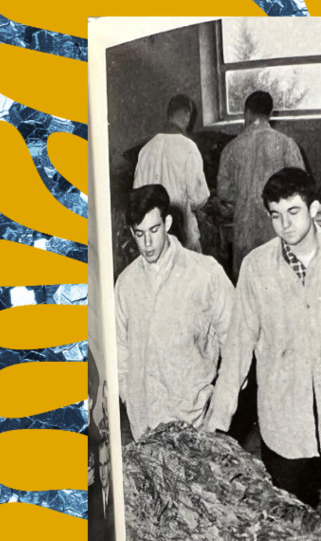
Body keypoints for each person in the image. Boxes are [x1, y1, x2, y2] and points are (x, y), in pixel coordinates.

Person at [208, 167, 321, 524]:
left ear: (314, 208)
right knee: (289, 530)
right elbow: (239, 346)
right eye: (275, 215)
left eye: (293, 212)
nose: (285, 224)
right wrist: (218, 418)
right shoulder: (256, 267)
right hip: (285, 423)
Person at [114, 184, 235, 442]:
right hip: (144, 423)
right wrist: (128, 394)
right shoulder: (126, 283)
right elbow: (119, 347)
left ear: (167, 223)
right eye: (139, 233)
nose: (147, 243)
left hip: (196, 421)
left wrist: (219, 414)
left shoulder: (205, 273)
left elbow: (235, 344)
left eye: (154, 230)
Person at [216, 89, 305, 277]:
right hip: (279, 228)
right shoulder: (287, 144)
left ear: (247, 113)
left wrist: (244, 198)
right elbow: (301, 187)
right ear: (270, 114)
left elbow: (224, 192)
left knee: (248, 283)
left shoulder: (231, 148)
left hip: (245, 231)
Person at [132, 93, 210, 252]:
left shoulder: (146, 149)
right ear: (187, 115)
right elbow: (199, 197)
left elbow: (137, 195)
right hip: (183, 235)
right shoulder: (189, 147)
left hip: (153, 237)